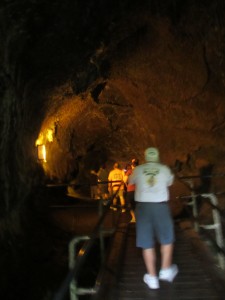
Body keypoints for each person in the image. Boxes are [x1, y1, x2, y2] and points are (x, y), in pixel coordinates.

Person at [129, 147, 178, 289]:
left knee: (146, 243)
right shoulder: (165, 169)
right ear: (157, 157)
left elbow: (131, 182)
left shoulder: (138, 169)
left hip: (143, 208)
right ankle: (165, 270)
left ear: (145, 157)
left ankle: (152, 278)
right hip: (160, 206)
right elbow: (169, 183)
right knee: (167, 239)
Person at [124, 158, 139, 222]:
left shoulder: (129, 171)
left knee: (130, 204)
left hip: (131, 190)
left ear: (132, 164)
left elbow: (125, 180)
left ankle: (134, 218)